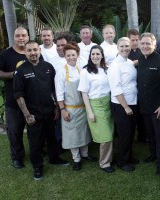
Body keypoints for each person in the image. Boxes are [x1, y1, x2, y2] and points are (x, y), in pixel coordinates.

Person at [13, 41, 69, 181]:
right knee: (35, 142)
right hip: (33, 114)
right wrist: (27, 115)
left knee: (51, 138)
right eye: (29, 51)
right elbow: (19, 95)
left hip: (50, 111)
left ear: (39, 50)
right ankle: (37, 167)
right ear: (25, 52)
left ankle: (54, 158)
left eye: (35, 50)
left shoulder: (48, 67)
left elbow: (55, 89)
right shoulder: (21, 71)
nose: (32, 53)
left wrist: (56, 107)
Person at [137, 32, 160, 177]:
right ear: (139, 45)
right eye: (143, 43)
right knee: (150, 135)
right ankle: (153, 155)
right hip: (144, 106)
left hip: (158, 107)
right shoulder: (140, 59)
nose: (145, 46)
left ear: (154, 45)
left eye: (148, 44)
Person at [0, 27, 29, 169]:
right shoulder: (7, 54)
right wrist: (13, 74)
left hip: (31, 100)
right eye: (18, 35)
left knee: (35, 129)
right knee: (14, 130)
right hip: (13, 101)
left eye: (23, 35)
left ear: (28, 37)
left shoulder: (33, 51)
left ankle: (38, 151)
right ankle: (17, 157)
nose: (21, 38)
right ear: (14, 37)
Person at [55, 42, 93, 171]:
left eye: (73, 54)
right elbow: (59, 93)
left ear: (77, 55)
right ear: (65, 56)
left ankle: (85, 154)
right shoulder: (61, 72)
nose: (71, 57)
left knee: (83, 132)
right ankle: (76, 159)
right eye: (68, 55)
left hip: (82, 108)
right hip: (70, 109)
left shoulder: (81, 70)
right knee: (72, 134)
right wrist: (62, 110)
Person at [78, 45, 115, 173]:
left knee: (110, 133)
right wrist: (90, 112)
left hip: (107, 104)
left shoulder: (107, 70)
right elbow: (84, 93)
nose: (95, 56)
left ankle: (108, 158)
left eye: (98, 54)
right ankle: (104, 163)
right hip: (95, 105)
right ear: (90, 56)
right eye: (93, 54)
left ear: (102, 55)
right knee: (106, 136)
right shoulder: (85, 71)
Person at [108, 37, 138, 172]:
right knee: (124, 135)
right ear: (117, 48)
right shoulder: (115, 65)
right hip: (122, 105)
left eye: (127, 46)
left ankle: (128, 156)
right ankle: (122, 161)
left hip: (133, 102)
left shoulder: (130, 62)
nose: (125, 49)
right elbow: (116, 88)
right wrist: (125, 107)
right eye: (122, 46)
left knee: (131, 133)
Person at [127, 29, 146, 143]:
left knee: (142, 114)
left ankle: (142, 136)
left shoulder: (142, 51)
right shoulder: (125, 52)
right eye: (132, 40)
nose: (134, 42)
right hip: (130, 86)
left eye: (136, 40)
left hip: (142, 86)